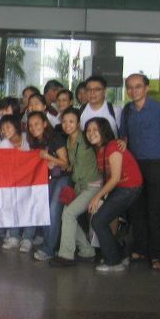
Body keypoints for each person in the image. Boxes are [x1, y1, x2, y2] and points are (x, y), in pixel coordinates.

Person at [119, 73, 160, 271]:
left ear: (146, 88)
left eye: (137, 86)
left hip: (157, 164)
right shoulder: (127, 111)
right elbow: (124, 137)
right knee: (137, 208)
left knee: (157, 210)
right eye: (129, 87)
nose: (133, 90)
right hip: (135, 164)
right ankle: (141, 249)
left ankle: (157, 255)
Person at [85, 117, 143, 273]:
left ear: (104, 131)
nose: (91, 133)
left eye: (95, 129)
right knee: (100, 220)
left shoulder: (112, 146)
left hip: (129, 187)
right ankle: (119, 255)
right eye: (88, 130)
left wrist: (97, 197)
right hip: (121, 188)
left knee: (98, 221)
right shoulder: (99, 150)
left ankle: (113, 262)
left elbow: (115, 177)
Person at [49, 108, 102, 268]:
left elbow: (103, 144)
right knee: (67, 214)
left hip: (93, 186)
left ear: (78, 123)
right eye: (64, 121)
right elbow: (72, 166)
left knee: (68, 214)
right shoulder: (68, 141)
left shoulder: (87, 138)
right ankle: (87, 250)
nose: (67, 125)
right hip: (79, 186)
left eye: (71, 121)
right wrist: (56, 163)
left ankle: (66, 255)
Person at [26, 111, 70, 262]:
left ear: (45, 124)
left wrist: (49, 157)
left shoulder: (55, 138)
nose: (33, 128)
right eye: (30, 125)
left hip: (63, 178)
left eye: (37, 124)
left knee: (53, 210)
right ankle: (49, 243)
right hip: (49, 179)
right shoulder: (34, 141)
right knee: (45, 209)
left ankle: (49, 249)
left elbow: (65, 164)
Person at [0, 115, 34, 252]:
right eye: (2, 128)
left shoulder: (29, 139)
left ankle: (27, 238)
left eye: (8, 127)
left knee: (30, 207)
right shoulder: (3, 144)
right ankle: (14, 237)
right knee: (12, 206)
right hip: (12, 182)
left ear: (17, 126)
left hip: (31, 181)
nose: (5, 130)